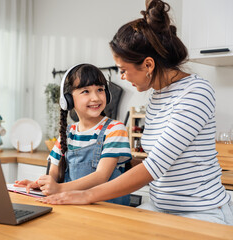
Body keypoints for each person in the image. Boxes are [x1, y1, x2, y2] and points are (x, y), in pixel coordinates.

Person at [37, 0, 233, 225]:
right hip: (161, 208)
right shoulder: (157, 95)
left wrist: (84, 194)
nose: (122, 77)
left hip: (202, 212)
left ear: (148, 65)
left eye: (123, 70)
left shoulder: (196, 92)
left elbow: (155, 165)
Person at [15, 63, 132, 205]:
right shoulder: (67, 133)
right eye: (85, 91)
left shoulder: (115, 129)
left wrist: (59, 188)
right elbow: (54, 173)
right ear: (68, 100)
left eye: (100, 90)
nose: (95, 98)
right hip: (74, 207)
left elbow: (101, 176)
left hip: (108, 209)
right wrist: (41, 185)